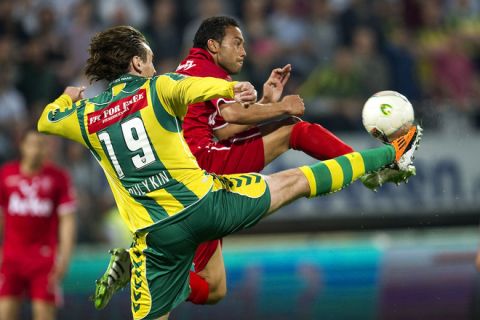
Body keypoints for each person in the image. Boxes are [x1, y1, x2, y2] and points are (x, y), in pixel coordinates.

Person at [37, 25, 421, 319]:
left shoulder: (84, 118)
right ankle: (390, 153)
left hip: (156, 236)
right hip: (207, 204)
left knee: (202, 293)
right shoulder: (161, 86)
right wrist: (243, 92)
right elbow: (200, 89)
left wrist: (67, 96)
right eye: (149, 60)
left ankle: (134, 265)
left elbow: (46, 121)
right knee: (298, 180)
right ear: (138, 64)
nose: (154, 67)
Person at [0, 129, 77, 320]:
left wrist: (65, 257)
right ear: (22, 146)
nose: (36, 150)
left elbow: (67, 220)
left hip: (44, 260)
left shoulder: (58, 178)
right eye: (32, 144)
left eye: (41, 145)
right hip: (11, 258)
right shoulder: (5, 175)